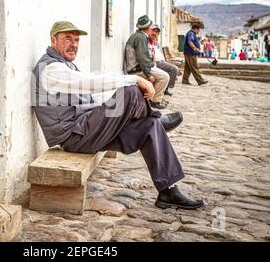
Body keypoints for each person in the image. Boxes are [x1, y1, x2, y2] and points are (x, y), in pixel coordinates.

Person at [32, 21, 204, 210]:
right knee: (130, 91)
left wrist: (117, 111)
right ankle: (155, 116)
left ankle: (168, 191)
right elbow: (89, 82)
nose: (73, 44)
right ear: (53, 40)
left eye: (76, 40)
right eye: (67, 39)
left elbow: (93, 98)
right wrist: (135, 79)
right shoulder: (50, 69)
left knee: (149, 127)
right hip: (73, 136)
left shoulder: (65, 65)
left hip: (87, 129)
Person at [124, 15, 170, 109]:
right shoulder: (141, 38)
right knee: (165, 77)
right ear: (148, 28)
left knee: (160, 74)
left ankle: (154, 99)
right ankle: (155, 101)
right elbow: (142, 57)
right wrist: (149, 74)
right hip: (136, 70)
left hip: (134, 68)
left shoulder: (136, 36)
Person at [149, 24, 179, 96]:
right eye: (154, 31)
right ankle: (166, 88)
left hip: (161, 61)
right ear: (149, 31)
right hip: (157, 62)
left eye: (157, 32)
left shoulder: (155, 42)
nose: (155, 33)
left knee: (174, 69)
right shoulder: (148, 41)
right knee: (174, 69)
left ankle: (166, 88)